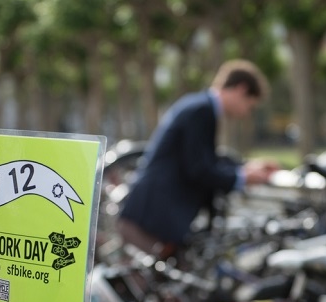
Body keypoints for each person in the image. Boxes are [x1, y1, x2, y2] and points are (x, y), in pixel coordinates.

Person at [117, 59, 280, 259]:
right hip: (151, 221)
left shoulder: (200, 106)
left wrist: (244, 168)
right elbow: (199, 168)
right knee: (155, 287)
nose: (247, 113)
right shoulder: (202, 111)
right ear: (240, 89)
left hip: (151, 216)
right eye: (250, 105)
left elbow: (202, 159)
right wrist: (242, 178)